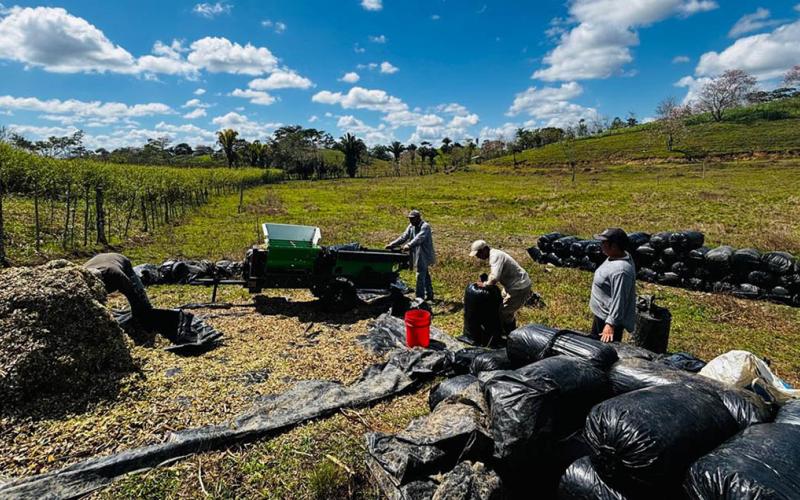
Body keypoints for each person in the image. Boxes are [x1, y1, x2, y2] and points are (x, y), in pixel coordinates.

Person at [470, 240, 532, 334]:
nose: (477, 256)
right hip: (511, 285)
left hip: (519, 286)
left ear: (485, 249)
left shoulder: (495, 256)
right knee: (500, 303)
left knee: (505, 312)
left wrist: (485, 284)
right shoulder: (494, 254)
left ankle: (510, 335)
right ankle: (505, 329)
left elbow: (494, 277)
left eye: (478, 253)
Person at [589, 228, 637, 343]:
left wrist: (610, 324)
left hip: (607, 320)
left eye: (604, 243)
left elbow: (620, 299)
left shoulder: (621, 271)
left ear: (614, 246)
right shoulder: (617, 256)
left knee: (602, 352)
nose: (601, 245)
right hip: (601, 314)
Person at [84, 253, 153, 320]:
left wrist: (138, 312)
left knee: (139, 296)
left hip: (120, 260)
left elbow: (131, 292)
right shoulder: (82, 276)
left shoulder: (116, 275)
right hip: (98, 260)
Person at [386, 209, 436, 301]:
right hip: (416, 253)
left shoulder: (425, 226)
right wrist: (392, 244)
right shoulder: (411, 226)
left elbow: (419, 238)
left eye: (412, 219)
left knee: (420, 276)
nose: (411, 221)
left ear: (418, 218)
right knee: (425, 275)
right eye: (410, 219)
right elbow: (404, 237)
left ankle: (419, 298)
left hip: (424, 254)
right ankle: (430, 294)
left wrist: (409, 245)